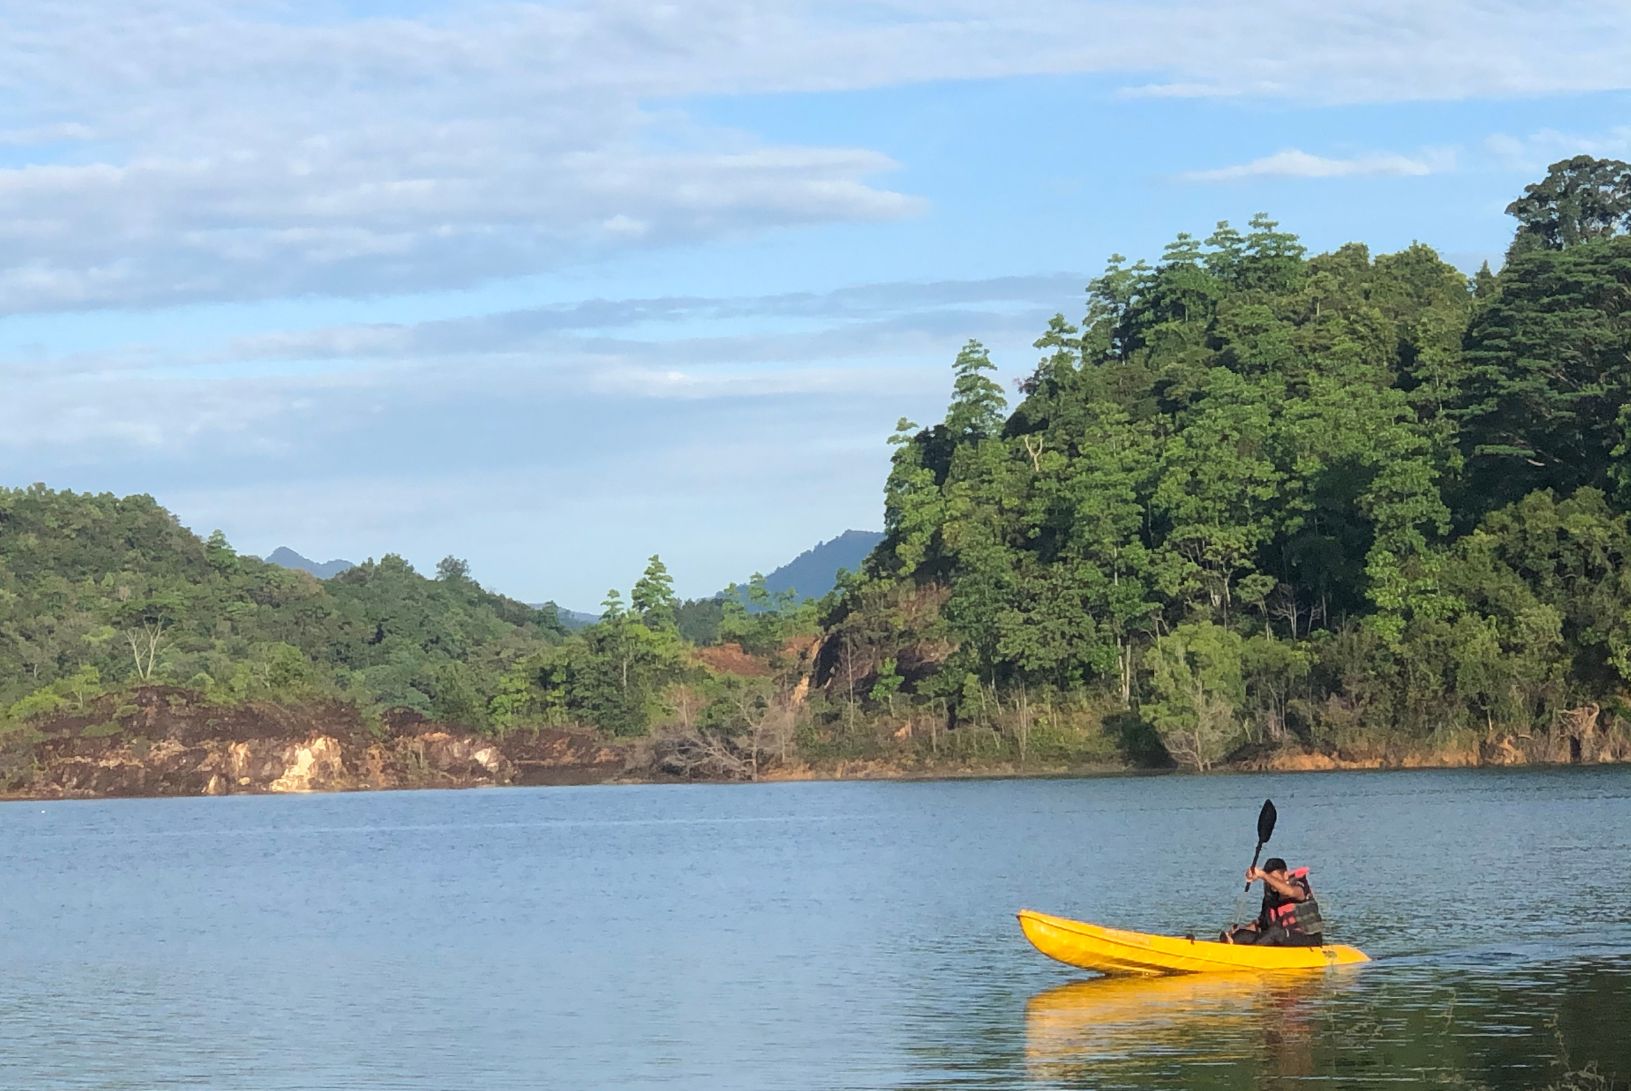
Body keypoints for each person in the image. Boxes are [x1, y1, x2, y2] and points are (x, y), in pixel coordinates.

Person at [1221, 857, 1324, 946]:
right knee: (1242, 934)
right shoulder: (1270, 897)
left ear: (1285, 876)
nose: (1272, 884)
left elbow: (1289, 892)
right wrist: (1238, 930)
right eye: (1269, 880)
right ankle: (1229, 948)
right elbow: (1261, 924)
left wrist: (1263, 875)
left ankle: (1250, 955)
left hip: (1309, 940)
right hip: (1281, 939)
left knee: (1275, 932)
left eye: (1274, 879)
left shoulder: (1299, 887)